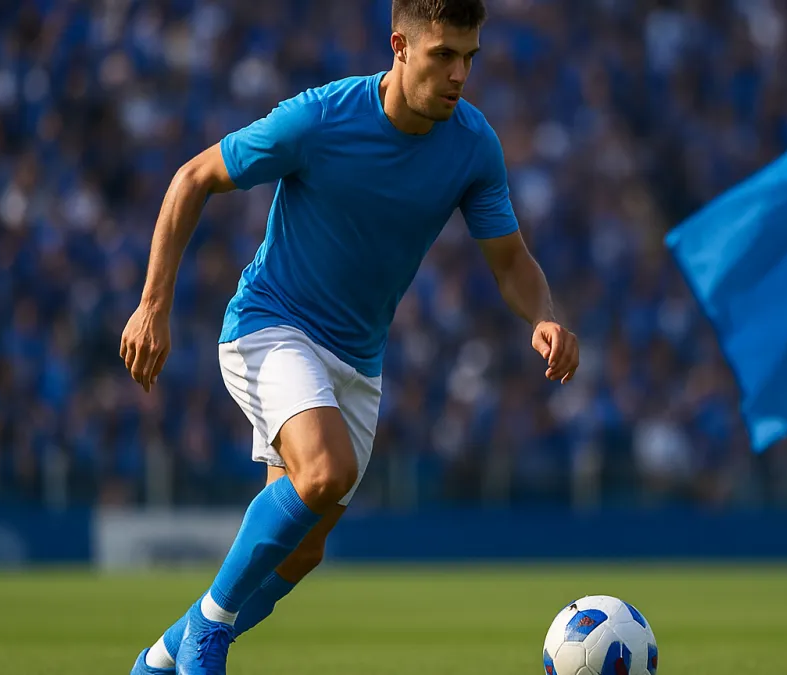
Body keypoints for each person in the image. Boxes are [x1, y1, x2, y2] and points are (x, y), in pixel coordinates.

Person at [122, 1, 579, 672]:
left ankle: (161, 657)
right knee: (325, 470)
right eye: (443, 55)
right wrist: (152, 305)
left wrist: (543, 316)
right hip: (270, 325)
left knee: (304, 549)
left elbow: (510, 261)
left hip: (358, 360)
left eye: (469, 58)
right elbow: (194, 178)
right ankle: (208, 634)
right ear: (400, 45)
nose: (459, 74)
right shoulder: (320, 118)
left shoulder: (473, 146)